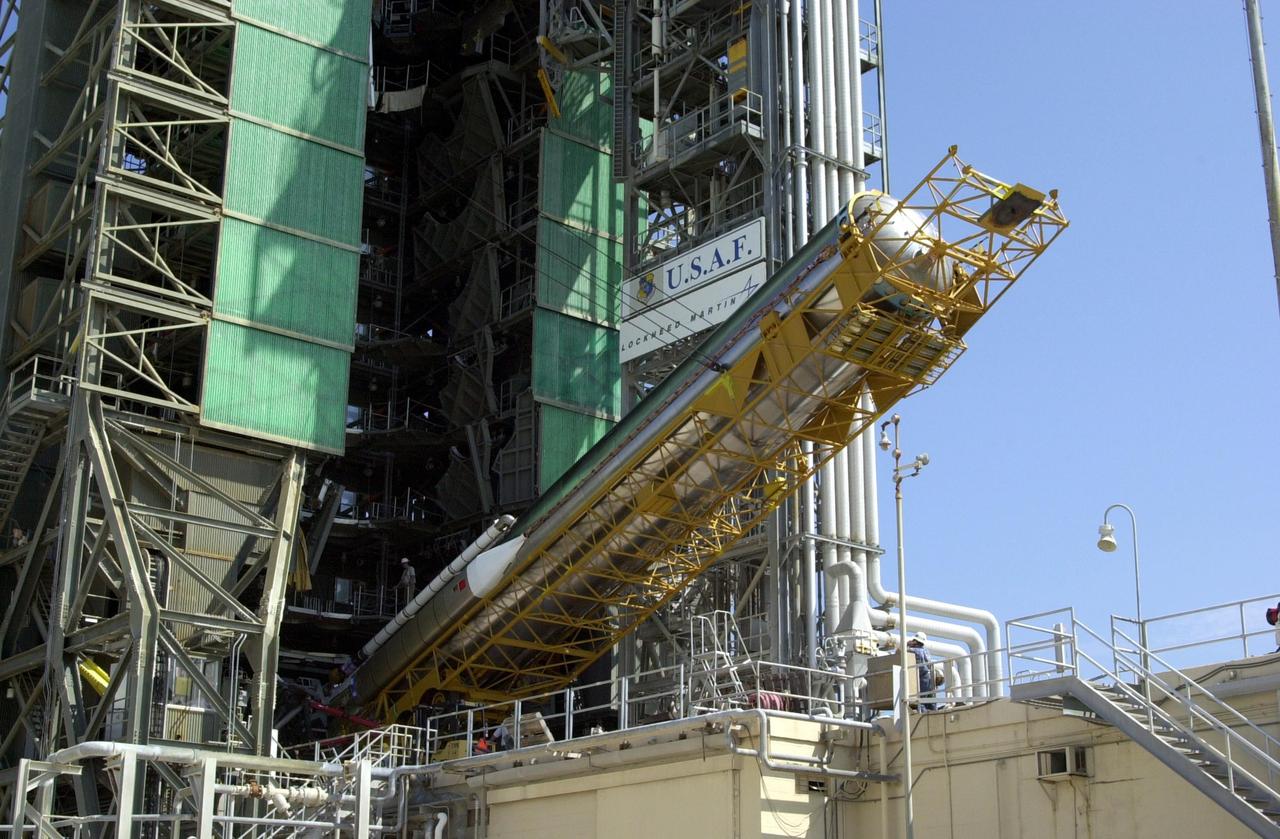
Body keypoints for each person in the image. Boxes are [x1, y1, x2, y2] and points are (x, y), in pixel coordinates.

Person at [907, 632, 937, 711]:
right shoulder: (926, 651)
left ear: (916, 641)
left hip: (922, 677)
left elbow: (903, 651)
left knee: (921, 700)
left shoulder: (914, 650)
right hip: (930, 677)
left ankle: (923, 714)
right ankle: (935, 713)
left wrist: (907, 644)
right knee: (931, 700)